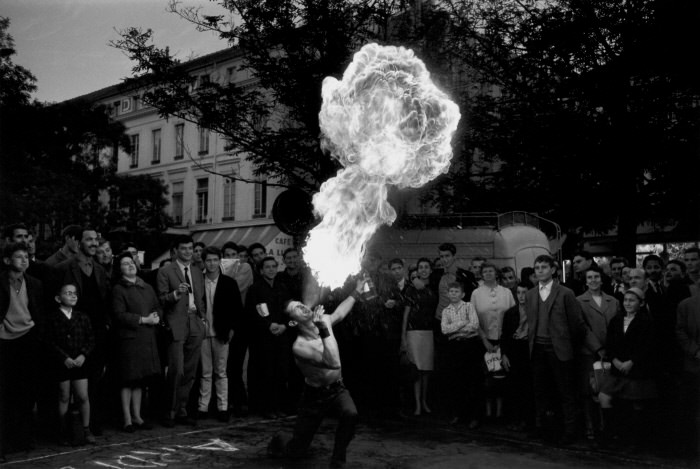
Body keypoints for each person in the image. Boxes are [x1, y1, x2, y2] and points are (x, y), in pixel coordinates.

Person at [267, 278, 364, 468]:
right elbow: (333, 362)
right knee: (296, 451)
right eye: (297, 308)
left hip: (337, 389)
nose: (303, 307)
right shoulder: (300, 346)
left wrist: (357, 291)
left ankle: (338, 460)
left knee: (350, 414)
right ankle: (280, 439)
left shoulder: (325, 320)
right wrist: (323, 329)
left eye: (302, 304)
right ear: (293, 321)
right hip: (314, 397)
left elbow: (341, 312)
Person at [526, 254, 596, 445]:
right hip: (537, 348)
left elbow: (576, 324)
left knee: (565, 392)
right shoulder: (531, 294)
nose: (540, 270)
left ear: (553, 270)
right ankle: (544, 428)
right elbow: (530, 322)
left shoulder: (565, 293)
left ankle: (570, 431)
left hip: (559, 348)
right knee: (541, 391)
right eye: (537, 267)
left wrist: (567, 344)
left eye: (543, 267)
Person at [55, 227, 111, 436]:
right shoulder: (64, 268)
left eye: (96, 240)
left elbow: (104, 300)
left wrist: (105, 325)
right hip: (72, 335)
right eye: (89, 240)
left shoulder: (99, 270)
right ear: (79, 243)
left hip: (96, 333)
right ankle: (67, 429)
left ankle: (91, 424)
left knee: (95, 379)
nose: (94, 244)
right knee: (69, 387)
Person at [598, 287, 658, 447]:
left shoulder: (647, 322)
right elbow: (609, 344)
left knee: (635, 403)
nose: (628, 303)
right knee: (604, 396)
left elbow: (648, 346)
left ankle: (634, 439)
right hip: (617, 368)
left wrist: (632, 362)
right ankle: (610, 433)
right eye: (626, 300)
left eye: (632, 300)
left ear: (641, 303)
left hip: (638, 370)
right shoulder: (616, 320)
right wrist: (616, 360)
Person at [157, 235, 206, 427]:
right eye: (184, 248)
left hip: (195, 322)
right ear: (176, 250)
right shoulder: (165, 271)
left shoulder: (197, 271)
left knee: (190, 371)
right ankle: (169, 411)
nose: (188, 252)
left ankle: (182, 410)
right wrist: (175, 294)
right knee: (176, 370)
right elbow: (160, 299)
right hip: (176, 322)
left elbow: (200, 298)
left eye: (190, 248)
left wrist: (203, 319)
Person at [0, 242, 44, 456]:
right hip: (5, 340)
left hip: (28, 338)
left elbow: (38, 311)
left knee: (27, 392)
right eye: (19, 257)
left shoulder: (34, 283)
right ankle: (6, 439)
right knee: (7, 392)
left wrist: (37, 331)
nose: (24, 260)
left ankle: (23, 438)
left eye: (26, 256)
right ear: (7, 260)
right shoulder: (0, 281)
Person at [111, 252, 161, 432]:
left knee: (140, 380)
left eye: (131, 262)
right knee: (128, 380)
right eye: (125, 263)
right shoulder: (118, 289)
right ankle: (127, 418)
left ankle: (138, 416)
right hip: (129, 339)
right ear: (119, 269)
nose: (130, 265)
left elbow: (157, 306)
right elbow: (119, 314)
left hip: (146, 338)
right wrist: (142, 320)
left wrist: (156, 317)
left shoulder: (146, 286)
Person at [44, 283, 96, 445]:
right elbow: (49, 341)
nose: (73, 296)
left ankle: (86, 429)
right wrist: (63, 358)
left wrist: (83, 355)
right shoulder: (52, 318)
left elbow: (91, 338)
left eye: (75, 293)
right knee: (64, 396)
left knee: (82, 396)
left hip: (80, 362)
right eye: (68, 293)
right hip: (62, 363)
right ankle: (63, 431)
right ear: (58, 298)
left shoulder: (82, 316)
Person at [198, 246, 242, 423]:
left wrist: (231, 329)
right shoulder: (199, 281)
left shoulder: (229, 283)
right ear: (204, 262)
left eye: (215, 260)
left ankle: (222, 407)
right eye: (208, 260)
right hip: (202, 332)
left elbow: (237, 309)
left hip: (222, 332)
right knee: (205, 372)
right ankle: (203, 407)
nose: (212, 263)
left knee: (221, 372)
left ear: (220, 261)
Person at [576, 265, 619, 440]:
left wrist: (611, 349)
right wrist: (597, 348)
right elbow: (582, 327)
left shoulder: (613, 301)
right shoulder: (579, 301)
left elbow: (617, 326)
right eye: (589, 278)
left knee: (607, 390)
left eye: (596, 277)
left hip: (610, 353)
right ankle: (590, 428)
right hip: (589, 352)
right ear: (585, 282)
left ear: (602, 279)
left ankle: (606, 428)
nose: (593, 281)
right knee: (590, 390)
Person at [245, 256, 291, 418]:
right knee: (266, 373)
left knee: (281, 372)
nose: (271, 269)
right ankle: (266, 408)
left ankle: (279, 406)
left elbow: (290, 310)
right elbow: (252, 313)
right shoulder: (255, 289)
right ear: (261, 270)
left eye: (274, 266)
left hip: (281, 336)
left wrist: (285, 325)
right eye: (267, 267)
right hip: (263, 338)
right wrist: (268, 325)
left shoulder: (282, 288)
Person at [471, 262, 515, 422]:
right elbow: (473, 318)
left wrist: (504, 343)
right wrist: (484, 340)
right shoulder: (476, 293)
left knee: (504, 377)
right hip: (485, 340)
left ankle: (503, 414)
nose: (488, 273)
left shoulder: (507, 292)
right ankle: (486, 414)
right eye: (485, 271)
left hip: (504, 340)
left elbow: (512, 316)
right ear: (481, 275)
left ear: (496, 274)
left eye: (491, 271)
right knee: (486, 379)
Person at [441, 281, 482, 429]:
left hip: (469, 346)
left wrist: (457, 330)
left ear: (463, 294)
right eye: (451, 291)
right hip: (454, 347)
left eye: (456, 292)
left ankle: (474, 416)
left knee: (472, 380)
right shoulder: (446, 311)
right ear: (447, 294)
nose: (453, 294)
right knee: (457, 381)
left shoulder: (469, 306)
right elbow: (445, 330)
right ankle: (458, 415)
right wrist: (461, 325)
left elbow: (474, 325)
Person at [401, 257, 438, 416]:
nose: (423, 270)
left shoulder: (435, 287)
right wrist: (403, 336)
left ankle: (425, 401)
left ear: (430, 270)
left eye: (426, 267)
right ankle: (417, 404)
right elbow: (406, 314)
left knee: (427, 370)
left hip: (429, 331)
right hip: (413, 332)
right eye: (420, 267)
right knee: (416, 370)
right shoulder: (411, 289)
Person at [501, 282, 534, 432]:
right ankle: (515, 418)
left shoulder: (534, 311)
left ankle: (528, 420)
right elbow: (505, 336)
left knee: (528, 387)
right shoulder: (510, 313)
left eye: (524, 292)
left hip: (528, 350)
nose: (521, 296)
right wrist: (504, 354)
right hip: (514, 349)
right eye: (519, 293)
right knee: (514, 387)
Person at [676, 290, 700, 457]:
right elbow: (680, 330)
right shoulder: (686, 305)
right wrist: (695, 351)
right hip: (694, 364)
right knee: (693, 408)